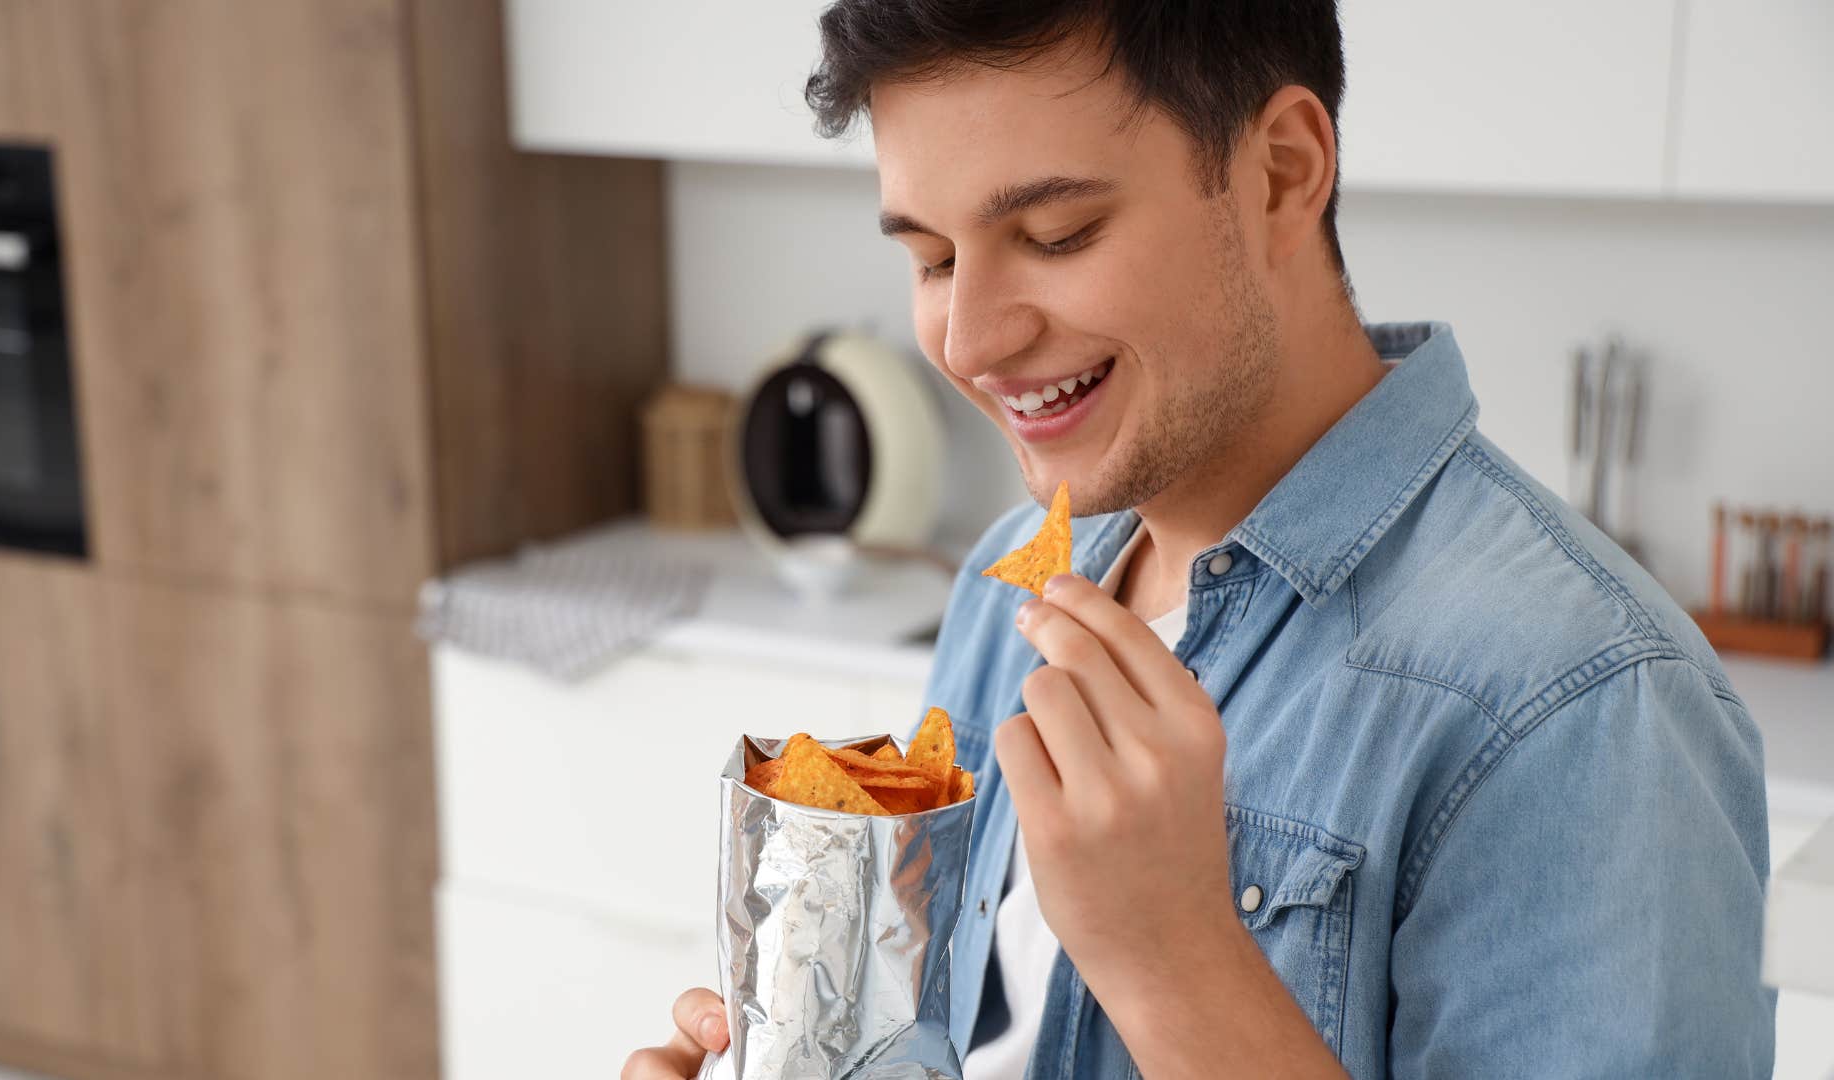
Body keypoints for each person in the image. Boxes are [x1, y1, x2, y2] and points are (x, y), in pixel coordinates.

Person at [623, 2, 1775, 1077]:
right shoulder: (1010, 583)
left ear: (1282, 173)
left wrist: (1171, 961)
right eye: (931, 258)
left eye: (1056, 232)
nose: (970, 338)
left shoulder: (1583, 707)